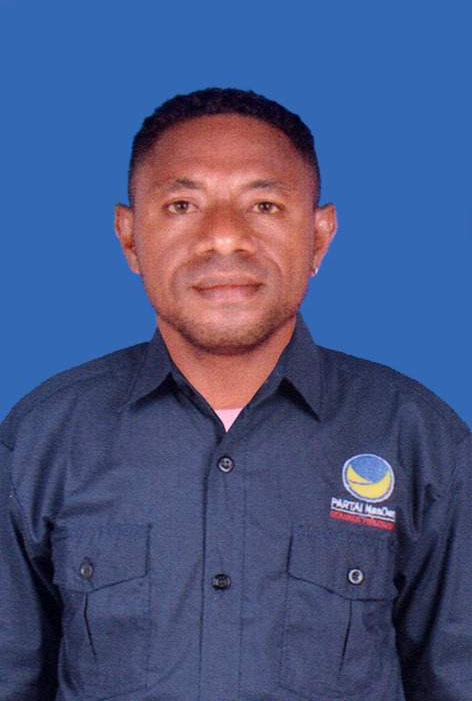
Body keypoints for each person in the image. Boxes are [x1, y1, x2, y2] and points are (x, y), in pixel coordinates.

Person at [0, 88, 471, 701]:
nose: (224, 238)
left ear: (319, 236)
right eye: (182, 205)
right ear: (130, 237)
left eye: (264, 205)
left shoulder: (419, 438)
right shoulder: (42, 439)